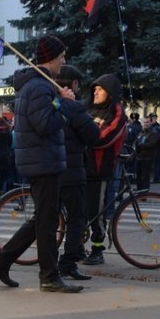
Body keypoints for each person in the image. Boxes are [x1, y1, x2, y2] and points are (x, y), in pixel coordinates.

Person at [0, 35, 82, 292]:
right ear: (51, 58)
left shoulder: (39, 85)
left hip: (42, 160)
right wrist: (64, 103)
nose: (64, 61)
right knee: (47, 223)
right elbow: (46, 124)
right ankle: (49, 277)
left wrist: (59, 100)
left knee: (43, 218)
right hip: (43, 161)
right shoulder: (39, 86)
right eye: (62, 56)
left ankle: (1, 262)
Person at [55, 65, 101, 280]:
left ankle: (7, 258)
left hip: (50, 170)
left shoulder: (48, 103)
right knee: (76, 219)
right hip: (72, 170)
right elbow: (93, 136)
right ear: (73, 84)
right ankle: (68, 262)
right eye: (78, 84)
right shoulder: (73, 106)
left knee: (45, 219)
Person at [83, 74, 127, 265]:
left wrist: (85, 137)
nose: (95, 92)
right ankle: (78, 247)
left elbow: (103, 139)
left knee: (96, 211)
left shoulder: (117, 112)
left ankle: (97, 249)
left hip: (100, 169)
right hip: (82, 166)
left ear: (110, 92)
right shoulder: (88, 108)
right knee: (81, 210)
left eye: (100, 89)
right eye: (94, 89)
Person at [133, 116, 160, 192]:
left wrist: (140, 145)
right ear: (141, 123)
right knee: (138, 176)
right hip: (139, 157)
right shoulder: (141, 133)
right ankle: (140, 193)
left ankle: (144, 193)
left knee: (145, 177)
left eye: (147, 122)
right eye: (144, 122)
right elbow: (136, 142)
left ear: (150, 122)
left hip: (147, 158)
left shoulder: (154, 133)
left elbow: (151, 144)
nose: (145, 124)